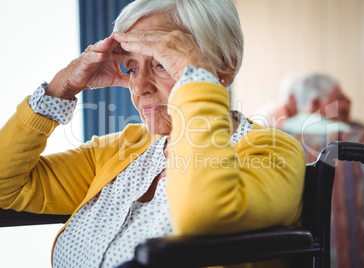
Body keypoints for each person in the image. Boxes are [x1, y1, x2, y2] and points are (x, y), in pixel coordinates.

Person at [0, 1, 306, 267]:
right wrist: (60, 89)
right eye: (132, 67)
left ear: (224, 66)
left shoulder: (273, 151)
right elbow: (5, 184)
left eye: (162, 63)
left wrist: (197, 83)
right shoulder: (121, 149)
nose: (139, 86)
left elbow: (204, 215)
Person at [281, 73, 353, 135]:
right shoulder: (341, 131)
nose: (345, 106)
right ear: (315, 104)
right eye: (338, 99)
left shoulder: (285, 127)